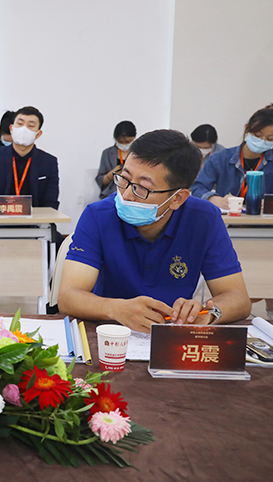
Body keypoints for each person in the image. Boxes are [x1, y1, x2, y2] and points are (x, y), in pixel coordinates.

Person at [58, 130, 251, 333]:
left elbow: (238, 298)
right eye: (124, 179)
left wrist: (208, 314)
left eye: (142, 188)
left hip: (172, 333)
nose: (127, 195)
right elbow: (68, 297)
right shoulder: (98, 215)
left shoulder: (204, 219)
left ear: (177, 198)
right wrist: (115, 309)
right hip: (111, 331)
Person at [0, 106, 59, 209]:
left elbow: (50, 203)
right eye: (20, 124)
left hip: (35, 218)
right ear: (11, 129)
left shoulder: (48, 162)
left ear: (38, 134)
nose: (24, 129)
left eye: (31, 126)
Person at [191, 107, 273, 209]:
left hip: (262, 218)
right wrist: (213, 199)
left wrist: (270, 203)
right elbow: (197, 188)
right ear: (247, 129)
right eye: (257, 135)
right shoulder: (220, 158)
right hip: (227, 217)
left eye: (270, 139)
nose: (262, 141)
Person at [96, 121, 136, 199]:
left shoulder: (138, 153)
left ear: (134, 137)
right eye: (120, 141)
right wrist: (111, 174)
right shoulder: (107, 153)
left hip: (133, 191)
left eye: (128, 141)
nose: (124, 144)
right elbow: (100, 180)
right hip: (112, 193)